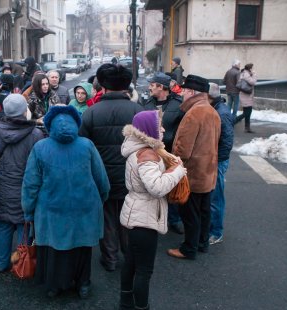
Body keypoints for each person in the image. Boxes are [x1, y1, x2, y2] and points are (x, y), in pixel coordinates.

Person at [22, 105, 110, 298]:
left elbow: (31, 184)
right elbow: (101, 179)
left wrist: (28, 211)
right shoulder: (87, 145)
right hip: (84, 207)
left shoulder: (40, 147)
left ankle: (55, 285)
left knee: (55, 248)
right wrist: (100, 199)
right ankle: (83, 283)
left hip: (51, 209)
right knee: (82, 247)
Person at [118, 111, 187, 310]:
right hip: (144, 219)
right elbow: (156, 188)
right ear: (149, 130)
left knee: (131, 263)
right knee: (144, 270)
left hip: (136, 213)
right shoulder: (147, 155)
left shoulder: (140, 149)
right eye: (160, 126)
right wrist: (178, 171)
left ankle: (125, 306)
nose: (164, 130)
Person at [79, 63, 145, 272]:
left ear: (103, 88)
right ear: (126, 87)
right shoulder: (139, 112)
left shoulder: (91, 113)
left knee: (106, 217)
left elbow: (84, 147)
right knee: (129, 217)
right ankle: (129, 255)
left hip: (102, 175)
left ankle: (110, 259)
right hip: (132, 175)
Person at [0, 94, 44, 273]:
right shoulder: (36, 134)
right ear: (25, 110)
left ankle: (0, 263)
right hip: (27, 187)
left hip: (3, 185)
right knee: (23, 226)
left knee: (4, 225)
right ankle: (20, 264)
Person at [167, 75, 221, 260]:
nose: (181, 94)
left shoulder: (194, 113)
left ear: (191, 92)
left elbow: (183, 149)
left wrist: (172, 162)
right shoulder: (211, 110)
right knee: (204, 212)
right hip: (208, 172)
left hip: (193, 173)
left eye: (184, 91)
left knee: (190, 213)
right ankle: (202, 243)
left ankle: (188, 249)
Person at [143, 72, 185, 234]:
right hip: (151, 153)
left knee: (172, 185)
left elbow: (183, 129)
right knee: (152, 186)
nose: (149, 88)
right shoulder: (146, 103)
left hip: (170, 153)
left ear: (161, 87)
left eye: (152, 85)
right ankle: (152, 218)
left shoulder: (179, 104)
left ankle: (173, 219)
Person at [208, 83, 234, 245]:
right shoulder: (217, 109)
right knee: (212, 197)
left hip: (217, 161)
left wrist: (216, 161)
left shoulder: (221, 113)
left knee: (216, 199)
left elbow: (227, 141)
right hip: (214, 160)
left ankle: (216, 232)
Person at [234, 63, 257, 133]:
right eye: (252, 68)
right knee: (247, 113)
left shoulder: (244, 73)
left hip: (246, 95)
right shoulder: (246, 74)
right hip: (246, 96)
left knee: (247, 112)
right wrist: (254, 75)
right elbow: (253, 82)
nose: (253, 69)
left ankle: (247, 128)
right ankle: (232, 122)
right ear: (249, 68)